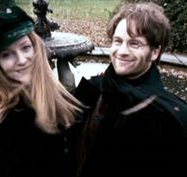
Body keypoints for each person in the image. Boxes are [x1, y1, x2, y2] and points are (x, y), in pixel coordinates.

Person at [0, 5, 84, 177]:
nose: (22, 60)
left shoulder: (44, 93)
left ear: (36, 47)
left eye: (25, 47)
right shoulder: (0, 122)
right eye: (6, 54)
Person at [74, 2, 187, 177]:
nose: (122, 51)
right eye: (118, 41)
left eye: (134, 44)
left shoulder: (169, 117)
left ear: (155, 52)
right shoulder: (95, 88)